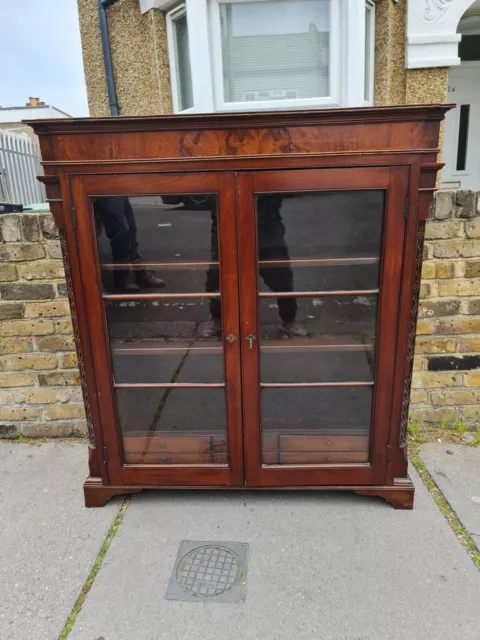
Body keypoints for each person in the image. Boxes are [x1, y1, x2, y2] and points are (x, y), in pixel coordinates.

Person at [204, 195, 306, 337]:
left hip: (265, 222)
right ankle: (217, 318)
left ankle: (289, 319)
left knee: (280, 273)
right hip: (226, 221)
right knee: (218, 276)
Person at [94, 197, 165, 292]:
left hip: (116, 188)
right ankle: (122, 276)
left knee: (131, 229)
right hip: (104, 189)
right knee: (120, 232)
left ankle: (139, 272)